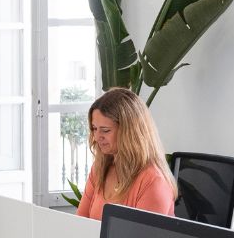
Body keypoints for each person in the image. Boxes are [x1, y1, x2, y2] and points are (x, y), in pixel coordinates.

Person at [75, 87, 176, 220]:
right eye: (94, 129)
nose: (97, 137)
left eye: (105, 130)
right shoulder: (99, 169)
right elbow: (80, 223)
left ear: (129, 132)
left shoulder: (153, 181)